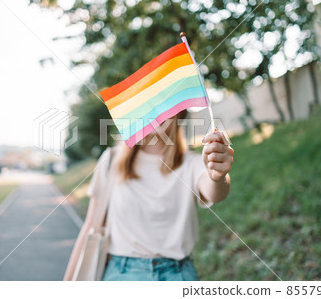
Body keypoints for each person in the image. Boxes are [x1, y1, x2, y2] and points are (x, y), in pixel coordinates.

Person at [64, 110, 234, 281]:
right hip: (121, 275)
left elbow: (215, 192)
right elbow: (89, 227)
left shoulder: (192, 163)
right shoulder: (111, 160)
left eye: (165, 104)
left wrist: (217, 176)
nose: (156, 112)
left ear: (177, 115)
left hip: (178, 274)